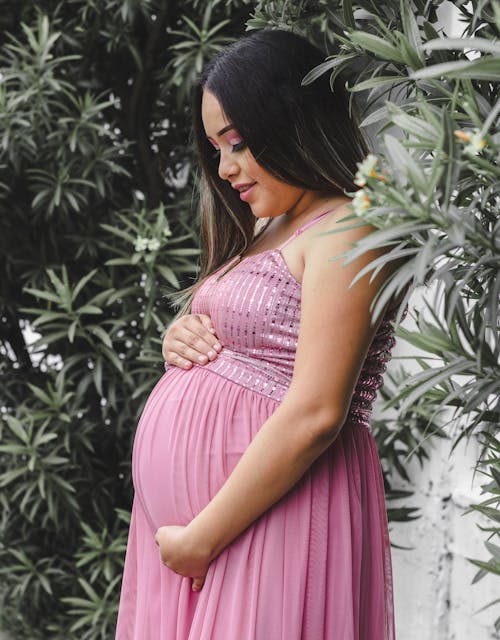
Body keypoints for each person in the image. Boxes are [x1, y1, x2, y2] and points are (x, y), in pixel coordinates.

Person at [116, 28, 398, 640]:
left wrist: (201, 537)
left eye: (238, 143)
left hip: (263, 518)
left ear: (295, 122)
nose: (226, 168)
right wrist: (183, 338)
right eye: (217, 147)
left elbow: (318, 412)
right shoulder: (273, 226)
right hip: (206, 534)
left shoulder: (345, 229)